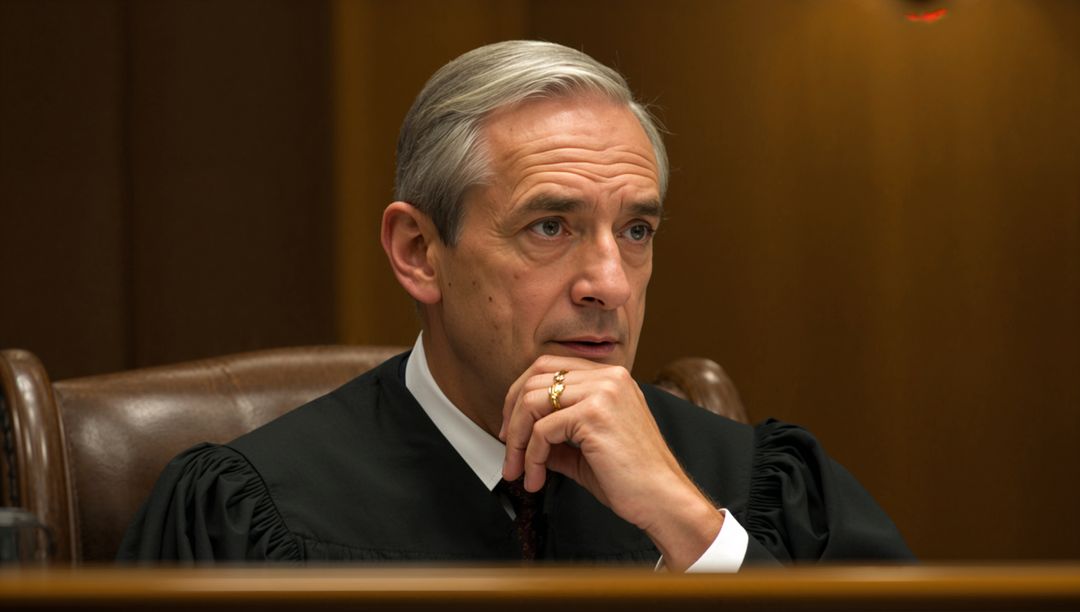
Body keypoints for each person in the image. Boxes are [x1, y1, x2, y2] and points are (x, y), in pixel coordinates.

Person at [117, 40, 912, 569]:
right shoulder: (244, 516)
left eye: (635, 230)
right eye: (550, 226)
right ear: (418, 252)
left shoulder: (756, 485)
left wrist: (693, 532)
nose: (609, 283)